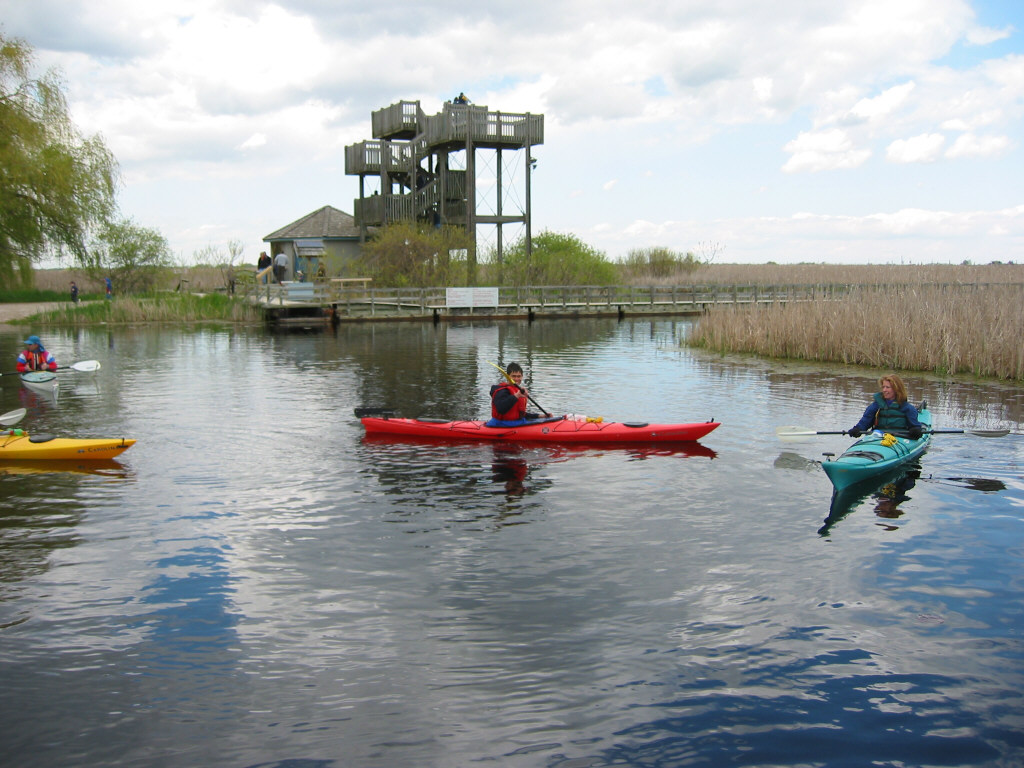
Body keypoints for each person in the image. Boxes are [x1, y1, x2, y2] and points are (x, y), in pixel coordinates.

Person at [848, 374, 923, 439]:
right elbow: (866, 420)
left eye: (887, 387)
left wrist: (915, 430)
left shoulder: (907, 408)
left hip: (900, 437)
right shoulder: (876, 405)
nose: (884, 390)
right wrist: (858, 429)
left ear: (896, 389)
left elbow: (915, 425)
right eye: (883, 387)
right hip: (878, 436)